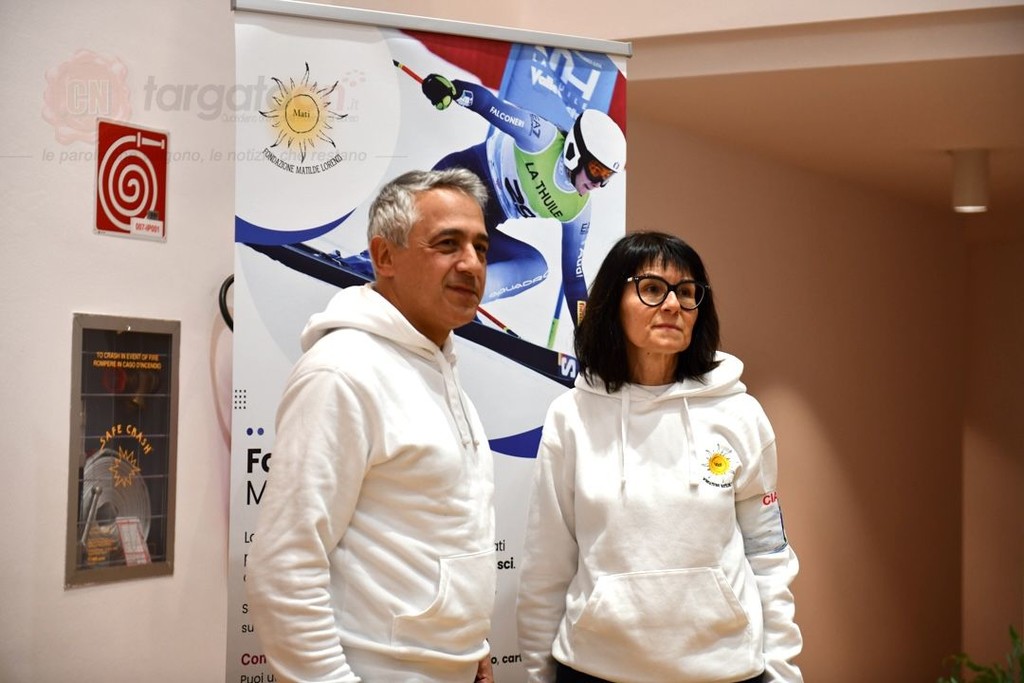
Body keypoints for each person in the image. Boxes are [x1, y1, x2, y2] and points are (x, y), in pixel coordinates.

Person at [515, 231, 803, 683]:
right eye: (652, 288)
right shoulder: (571, 417)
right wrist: (537, 675)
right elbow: (546, 566)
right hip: (596, 669)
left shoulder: (740, 414)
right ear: (612, 302)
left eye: (686, 293)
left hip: (724, 670)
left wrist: (783, 673)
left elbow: (768, 556)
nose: (672, 305)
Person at [247, 168, 498, 682]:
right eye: (448, 244)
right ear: (384, 256)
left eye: (480, 247)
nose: (471, 263)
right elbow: (284, 566)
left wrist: (471, 648)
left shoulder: (439, 368)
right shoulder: (341, 372)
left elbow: (433, 534)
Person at [420, 73, 626, 330]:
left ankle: (460, 298)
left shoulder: (578, 210)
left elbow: (574, 279)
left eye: (607, 176)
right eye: (596, 170)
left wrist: (587, 331)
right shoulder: (542, 138)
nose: (598, 183)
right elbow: (490, 106)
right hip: (452, 186)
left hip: (477, 226)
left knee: (536, 267)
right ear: (575, 151)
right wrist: (453, 90)